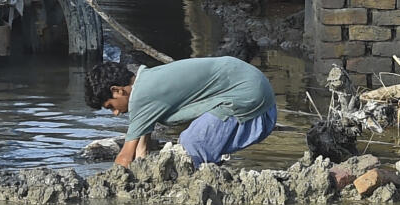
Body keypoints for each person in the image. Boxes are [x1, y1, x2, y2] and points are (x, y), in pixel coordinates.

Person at [90, 50, 277, 167]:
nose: (115, 113)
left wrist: (109, 186)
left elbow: (124, 158)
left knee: (191, 143)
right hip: (254, 88)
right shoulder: (145, 81)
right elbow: (141, 151)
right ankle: (208, 171)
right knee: (194, 147)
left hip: (250, 97)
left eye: (110, 107)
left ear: (117, 91)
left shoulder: (141, 96)